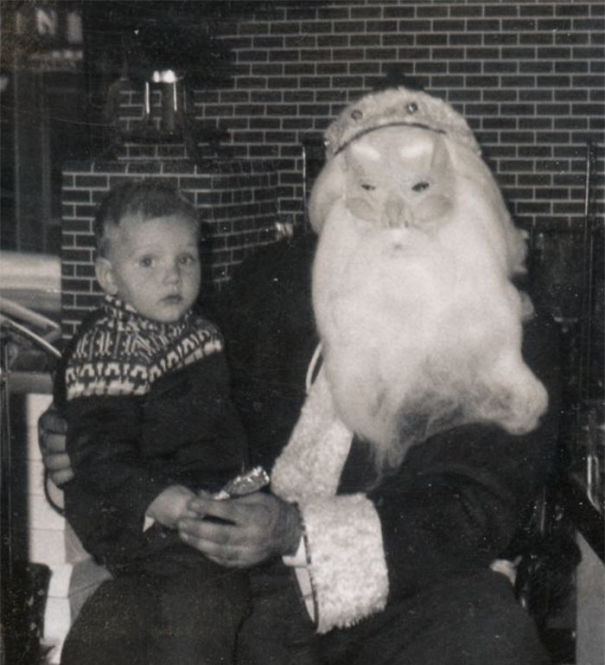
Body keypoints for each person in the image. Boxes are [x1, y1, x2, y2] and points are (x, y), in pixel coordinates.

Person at [41, 87, 562, 665]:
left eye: (419, 189)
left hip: (410, 592)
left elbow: (470, 508)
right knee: (121, 631)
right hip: (241, 579)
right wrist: (78, 416)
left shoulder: (512, 335)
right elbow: (158, 352)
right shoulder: (271, 283)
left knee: (490, 641)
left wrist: (297, 531)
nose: (395, 216)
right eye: (368, 190)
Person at [52, 180, 251, 665]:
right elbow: (97, 451)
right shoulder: (110, 346)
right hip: (131, 510)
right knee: (205, 600)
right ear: (108, 276)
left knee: (171, 602)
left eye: (186, 259)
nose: (172, 276)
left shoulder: (200, 332)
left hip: (194, 499)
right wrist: (156, 497)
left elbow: (222, 423)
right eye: (148, 262)